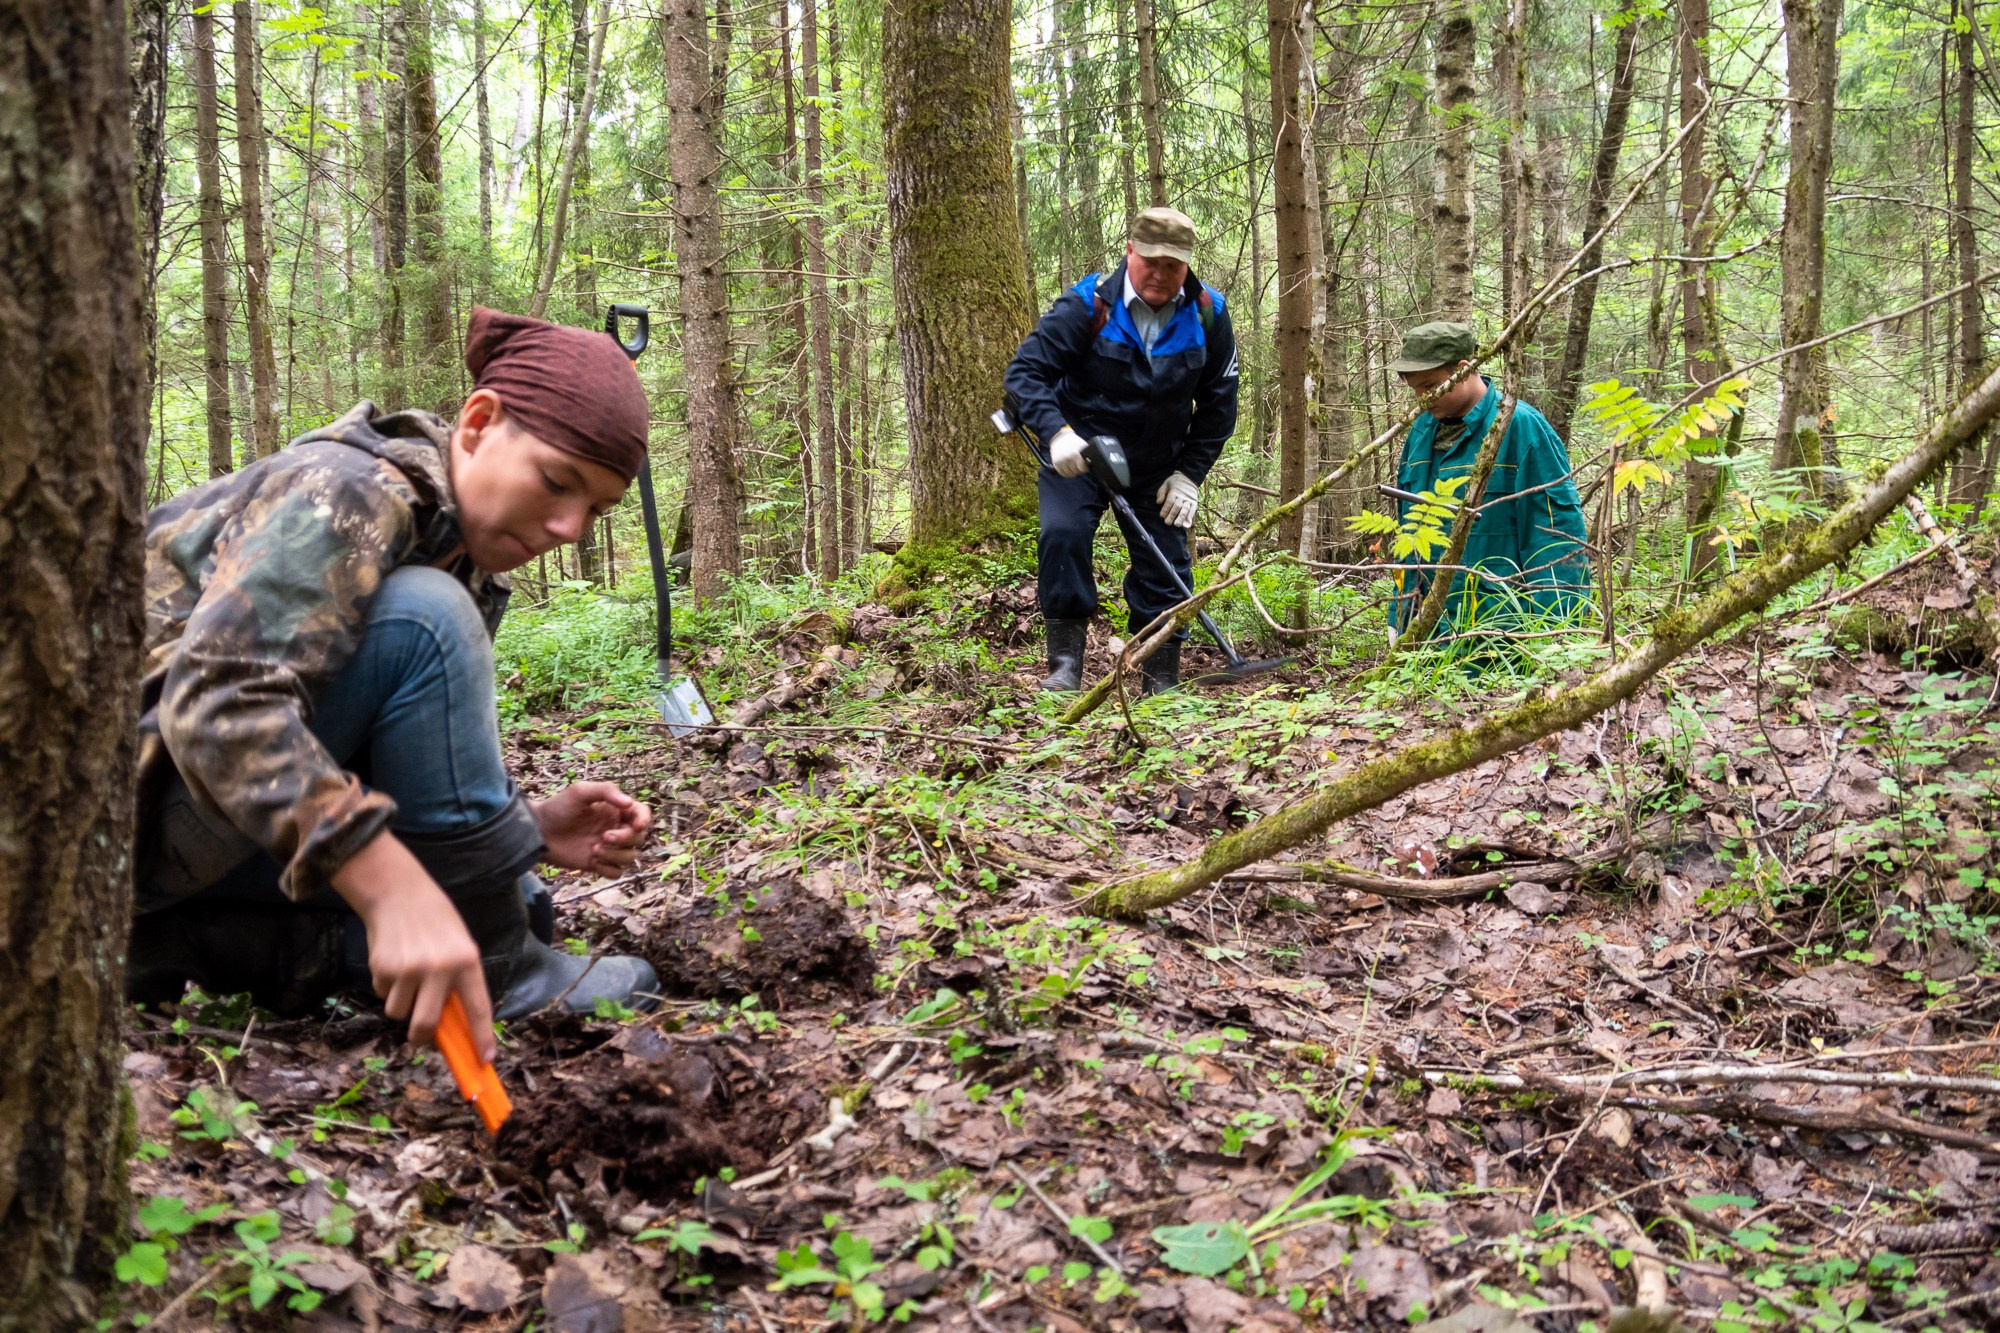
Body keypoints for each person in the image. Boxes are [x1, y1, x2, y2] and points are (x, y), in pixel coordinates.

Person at [129, 308, 665, 1062]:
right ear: (478, 423)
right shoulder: (347, 491)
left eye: (596, 509)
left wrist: (527, 829)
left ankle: (172, 947)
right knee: (423, 621)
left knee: (524, 896)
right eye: (556, 482)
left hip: (164, 839)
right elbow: (216, 705)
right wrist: (389, 886)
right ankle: (494, 964)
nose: (570, 528)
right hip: (118, 822)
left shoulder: (450, 540)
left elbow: (370, 742)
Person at [1005, 205, 1239, 695]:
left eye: (1172, 265)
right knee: (1063, 536)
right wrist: (1057, 431)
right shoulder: (1086, 306)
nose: (1160, 274)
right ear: (1129, 251)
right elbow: (1025, 374)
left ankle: (1160, 674)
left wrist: (1190, 474)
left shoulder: (1208, 314)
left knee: (1166, 564)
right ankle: (1065, 663)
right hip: (1080, 455)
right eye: (1150, 260)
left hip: (1160, 463)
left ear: (1187, 263)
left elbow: (1219, 405)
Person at [1386, 322, 1590, 634]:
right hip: (1426, 642)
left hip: (1498, 639)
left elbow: (1555, 542)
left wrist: (1557, 634)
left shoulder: (1520, 428)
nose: (1422, 399)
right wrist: (1398, 619)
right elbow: (1410, 536)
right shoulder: (1421, 431)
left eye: (1430, 386)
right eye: (1416, 390)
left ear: (1464, 370)